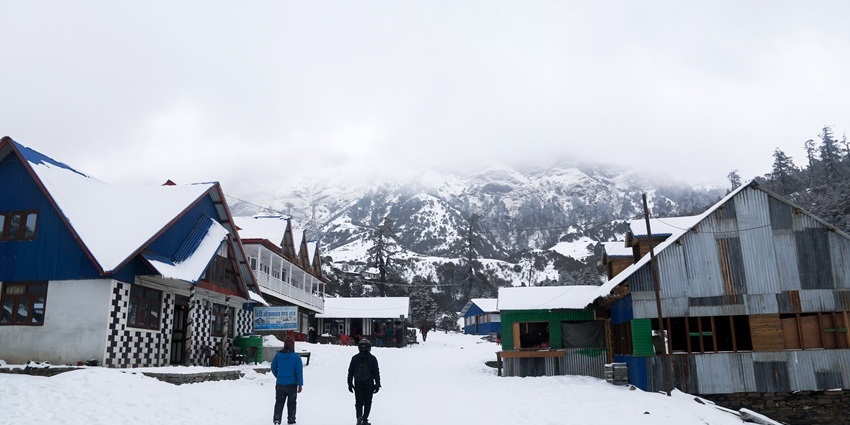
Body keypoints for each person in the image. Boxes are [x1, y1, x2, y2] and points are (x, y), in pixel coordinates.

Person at [347, 339, 381, 425]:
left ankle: (359, 416)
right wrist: (377, 384)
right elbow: (376, 372)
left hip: (358, 384)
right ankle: (365, 419)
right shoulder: (373, 359)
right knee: (368, 402)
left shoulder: (354, 358)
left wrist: (350, 383)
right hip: (369, 384)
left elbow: (350, 372)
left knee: (358, 402)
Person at [271, 338, 303, 425]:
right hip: (292, 385)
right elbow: (299, 372)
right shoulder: (296, 357)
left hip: (280, 384)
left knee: (279, 402)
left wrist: (278, 376)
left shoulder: (278, 355)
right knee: (292, 403)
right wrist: (300, 384)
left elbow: (273, 367)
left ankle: (277, 419)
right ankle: (291, 420)